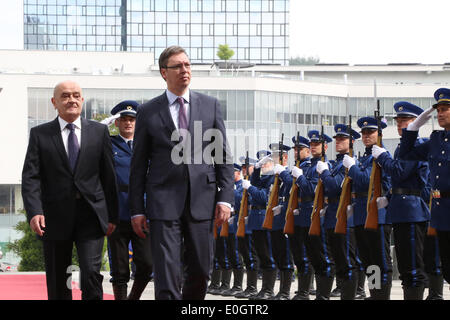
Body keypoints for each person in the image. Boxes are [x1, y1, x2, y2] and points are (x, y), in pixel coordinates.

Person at [129, 46, 234, 300]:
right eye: (178, 66)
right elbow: (139, 165)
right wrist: (137, 209)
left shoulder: (210, 106)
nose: (185, 70)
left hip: (202, 200)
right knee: (167, 273)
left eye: (187, 65)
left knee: (200, 269)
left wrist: (225, 199)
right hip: (163, 201)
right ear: (164, 72)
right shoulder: (148, 111)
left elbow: (222, 155)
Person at [21, 80, 118, 300]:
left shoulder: (99, 131)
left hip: (91, 215)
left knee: (91, 273)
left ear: (82, 100)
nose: (71, 100)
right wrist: (35, 211)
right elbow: (31, 176)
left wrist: (112, 216)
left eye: (76, 95)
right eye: (65, 96)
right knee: (58, 277)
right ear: (54, 102)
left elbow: (108, 176)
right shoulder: (40, 134)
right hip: (54, 217)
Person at [371, 102, 431, 300]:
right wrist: (388, 198)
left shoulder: (418, 146)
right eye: (398, 121)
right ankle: (375, 295)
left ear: (416, 123)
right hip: (397, 209)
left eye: (405, 121)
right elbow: (398, 179)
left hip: (411, 210)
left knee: (412, 266)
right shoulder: (401, 148)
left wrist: (384, 157)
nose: (400, 124)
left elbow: (399, 171)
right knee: (403, 265)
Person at [398, 87, 450, 290]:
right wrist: (412, 130)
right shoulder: (436, 140)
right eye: (438, 109)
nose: (440, 113)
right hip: (440, 211)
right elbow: (405, 155)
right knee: (447, 268)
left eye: (445, 108)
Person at [107, 100, 153, 300]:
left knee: (147, 263)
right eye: (123, 120)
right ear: (116, 123)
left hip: (143, 212)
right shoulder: (108, 144)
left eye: (132, 120)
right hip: (117, 212)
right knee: (119, 268)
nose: (128, 123)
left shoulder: (147, 145)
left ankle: (133, 297)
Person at [343, 116, 392, 300]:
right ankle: (375, 293)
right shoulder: (365, 157)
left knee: (380, 260)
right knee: (369, 261)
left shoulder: (381, 155)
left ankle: (382, 296)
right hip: (362, 213)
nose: (365, 136)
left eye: (370, 132)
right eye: (363, 133)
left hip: (378, 214)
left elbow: (365, 181)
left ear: (379, 133)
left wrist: (353, 168)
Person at [292, 130, 335, 300]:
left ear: (324, 147)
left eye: (317, 144)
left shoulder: (325, 166)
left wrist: (300, 178)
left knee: (322, 256)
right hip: (304, 215)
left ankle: (323, 295)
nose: (314, 147)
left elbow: (310, 189)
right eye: (312, 144)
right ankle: (305, 292)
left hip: (317, 216)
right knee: (308, 256)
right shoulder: (306, 166)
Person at [243, 150, 277, 300]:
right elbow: (255, 182)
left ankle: (268, 289)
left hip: (264, 217)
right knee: (261, 256)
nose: (264, 165)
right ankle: (264, 289)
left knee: (267, 255)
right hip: (256, 219)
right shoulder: (264, 178)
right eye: (261, 163)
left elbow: (264, 197)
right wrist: (256, 169)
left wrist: (250, 188)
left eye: (265, 163)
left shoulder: (273, 178)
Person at [286, 135, 315, 300]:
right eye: (295, 150)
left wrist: (299, 176)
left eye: (299, 149)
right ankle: (302, 289)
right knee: (298, 254)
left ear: (307, 150)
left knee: (306, 255)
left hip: (307, 213)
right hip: (296, 213)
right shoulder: (295, 168)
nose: (296, 152)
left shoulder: (310, 166)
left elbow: (310, 190)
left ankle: (306, 290)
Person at [270, 142, 295, 300]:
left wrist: (283, 173)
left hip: (286, 217)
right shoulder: (273, 176)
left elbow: (294, 187)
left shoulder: (290, 172)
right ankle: (280, 290)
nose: (273, 161)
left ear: (284, 158)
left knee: (286, 255)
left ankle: (285, 291)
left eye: (276, 158)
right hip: (275, 219)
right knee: (277, 253)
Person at [235, 156, 260, 299]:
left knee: (252, 256)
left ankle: (252, 287)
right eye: (243, 167)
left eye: (247, 167)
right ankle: (249, 287)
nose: (244, 170)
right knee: (245, 254)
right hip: (243, 223)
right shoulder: (243, 184)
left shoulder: (253, 183)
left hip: (251, 223)